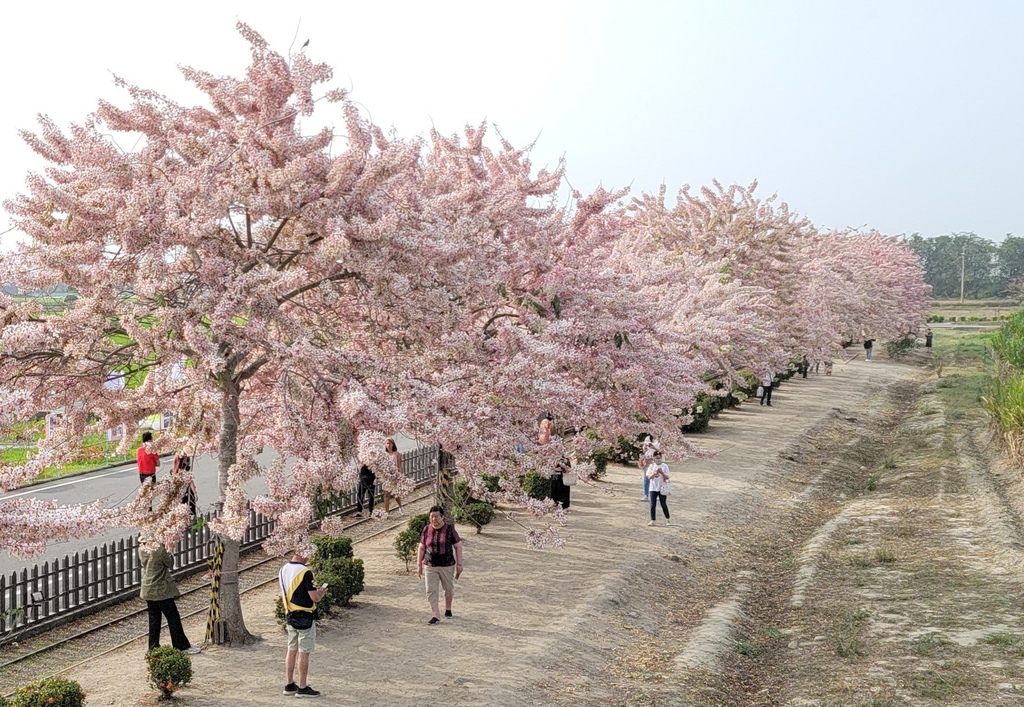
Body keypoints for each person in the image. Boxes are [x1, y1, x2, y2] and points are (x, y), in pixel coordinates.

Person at [279, 550, 327, 698]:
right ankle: (303, 686)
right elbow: (314, 598)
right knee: (304, 651)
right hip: (305, 615)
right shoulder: (306, 572)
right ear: (303, 553)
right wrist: (321, 592)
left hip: (289, 613)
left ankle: (289, 684)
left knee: (291, 649)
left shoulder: (283, 569)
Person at [139, 542, 201, 656]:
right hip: (161, 589)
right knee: (173, 618)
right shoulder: (160, 550)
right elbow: (170, 563)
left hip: (148, 588)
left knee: (154, 620)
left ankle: (153, 648)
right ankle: (181, 646)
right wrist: (169, 549)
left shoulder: (142, 549)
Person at [417, 505, 464, 624]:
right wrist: (419, 565)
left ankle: (448, 608)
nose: (434, 519)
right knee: (431, 590)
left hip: (447, 564)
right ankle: (435, 614)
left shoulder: (449, 530)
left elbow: (458, 546)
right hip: (430, 564)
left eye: (437, 517)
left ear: (442, 517)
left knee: (448, 588)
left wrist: (460, 564)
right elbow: (422, 547)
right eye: (431, 517)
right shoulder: (426, 529)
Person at [645, 452, 671, 526]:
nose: (658, 459)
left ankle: (667, 519)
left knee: (663, 504)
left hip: (662, 488)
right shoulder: (651, 466)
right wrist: (654, 473)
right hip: (653, 487)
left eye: (659, 458)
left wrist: (662, 472)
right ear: (653, 458)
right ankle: (653, 520)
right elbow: (649, 477)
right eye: (657, 458)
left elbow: (667, 477)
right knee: (652, 505)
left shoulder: (664, 466)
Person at [383, 438, 405, 515]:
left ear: (393, 444)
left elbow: (399, 466)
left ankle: (400, 507)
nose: (388, 445)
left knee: (396, 493)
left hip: (395, 475)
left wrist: (400, 475)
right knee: (386, 494)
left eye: (390, 443)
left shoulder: (397, 454)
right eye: (387, 443)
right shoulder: (384, 455)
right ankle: (386, 511)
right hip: (387, 476)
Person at [172, 452, 197, 519]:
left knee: (185, 511)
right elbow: (190, 481)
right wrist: (195, 493)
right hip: (185, 492)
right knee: (188, 510)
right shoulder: (181, 472)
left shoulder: (176, 474)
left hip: (184, 491)